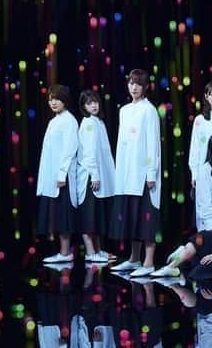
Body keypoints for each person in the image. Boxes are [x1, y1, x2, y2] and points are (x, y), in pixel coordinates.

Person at [109, 69, 162, 277]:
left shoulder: (149, 110)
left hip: (143, 175)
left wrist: (151, 173)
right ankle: (134, 258)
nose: (134, 87)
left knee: (147, 217)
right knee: (133, 216)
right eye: (131, 83)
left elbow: (152, 143)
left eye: (138, 84)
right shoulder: (124, 110)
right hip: (126, 173)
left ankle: (149, 262)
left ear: (145, 87)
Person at [37, 84, 79, 264]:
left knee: (64, 215)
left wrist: (62, 173)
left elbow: (70, 148)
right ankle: (62, 252)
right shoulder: (54, 121)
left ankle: (66, 252)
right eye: (51, 99)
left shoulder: (69, 121)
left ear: (65, 101)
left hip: (63, 177)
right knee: (57, 214)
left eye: (57, 99)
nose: (53, 103)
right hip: (53, 175)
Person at [76, 89, 116, 263]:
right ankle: (90, 252)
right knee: (88, 216)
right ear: (83, 106)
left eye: (95, 102)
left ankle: (98, 250)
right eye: (88, 103)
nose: (93, 105)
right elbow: (90, 153)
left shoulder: (98, 122)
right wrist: (95, 175)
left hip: (99, 176)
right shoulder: (88, 123)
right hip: (90, 177)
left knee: (96, 216)